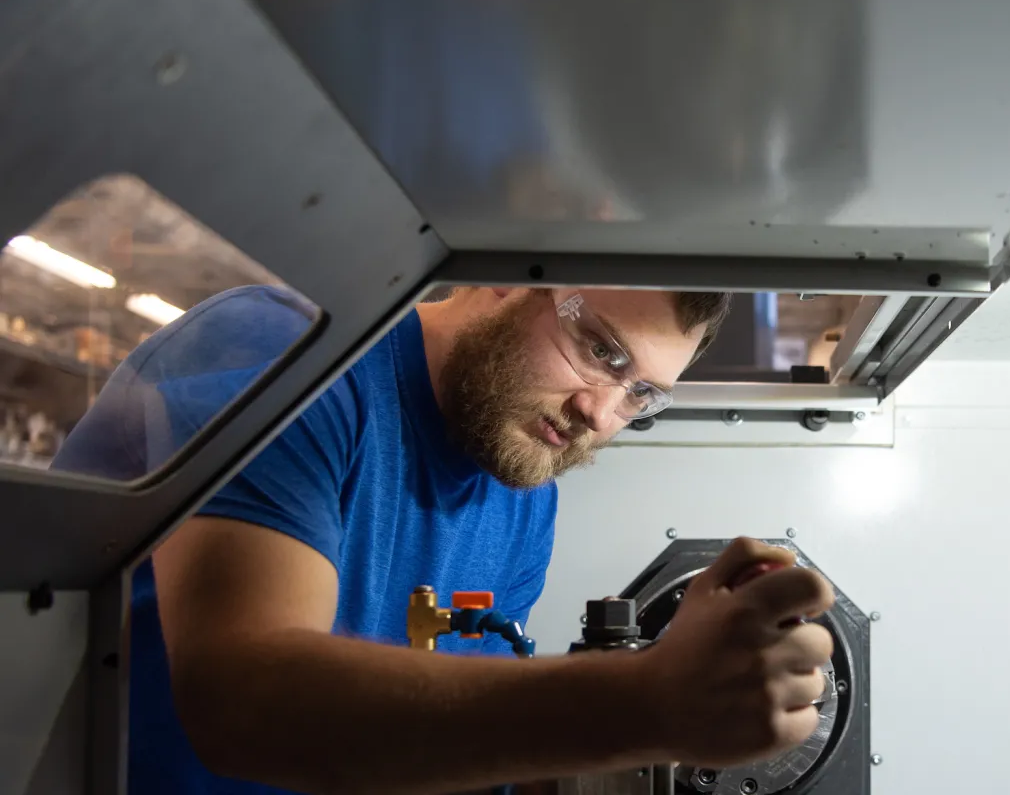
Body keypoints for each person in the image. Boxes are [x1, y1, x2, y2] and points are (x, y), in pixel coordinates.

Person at [52, 284, 836, 794]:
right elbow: (244, 699)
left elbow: (447, 754)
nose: (601, 413)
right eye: (601, 351)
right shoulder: (288, 355)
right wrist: (653, 700)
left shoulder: (524, 501)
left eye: (641, 394)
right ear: (504, 273)